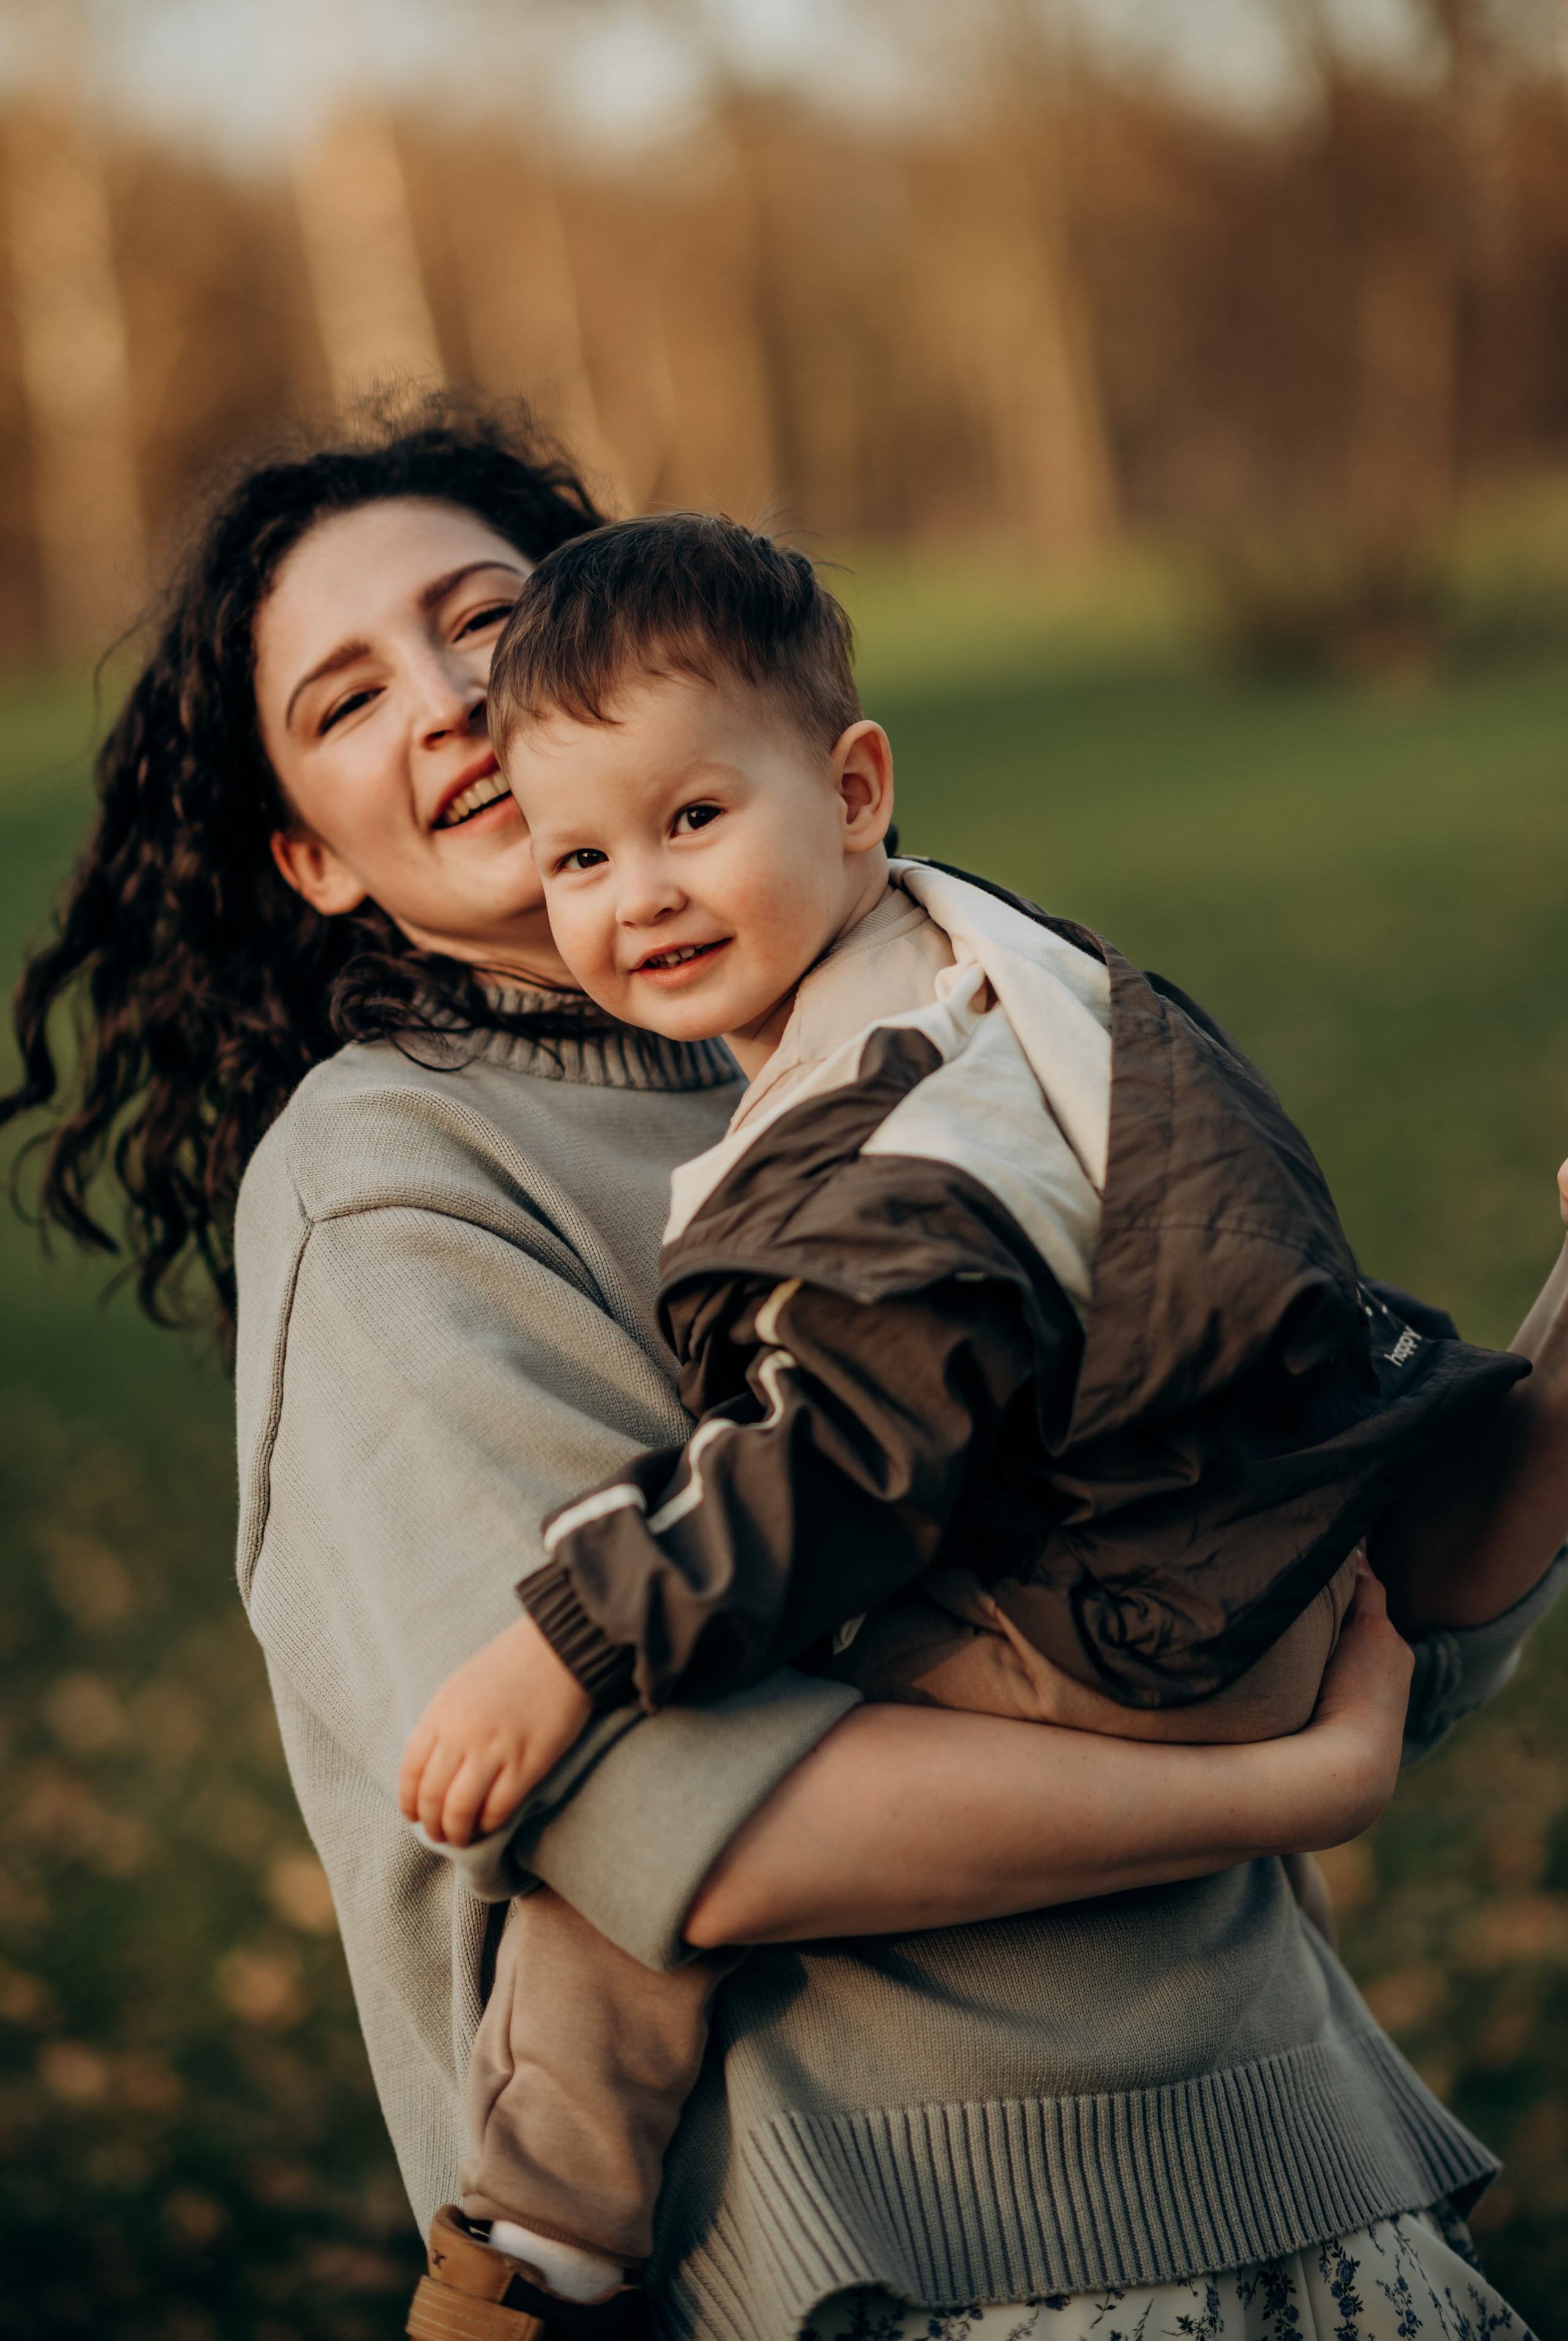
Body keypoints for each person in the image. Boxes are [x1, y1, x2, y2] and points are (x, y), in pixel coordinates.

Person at [2, 402, 1561, 2341]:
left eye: (484, 618)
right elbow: (675, 1825)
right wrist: (1285, 1783)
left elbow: (1337, 1586)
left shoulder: (932, 1014)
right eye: (344, 699)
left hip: (1316, 2166)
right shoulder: (390, 1175)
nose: (455, 702)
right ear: (310, 858)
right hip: (927, 2259)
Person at [392, 510, 1555, 2328]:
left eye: (695, 820)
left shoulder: (910, 1113)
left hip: (1133, 1612)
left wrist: (568, 1638)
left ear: (853, 788)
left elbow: (841, 1455)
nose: (642, 897)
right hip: (1250, 1546)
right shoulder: (997, 971)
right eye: (580, 857)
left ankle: (533, 2251)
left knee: (626, 1847)